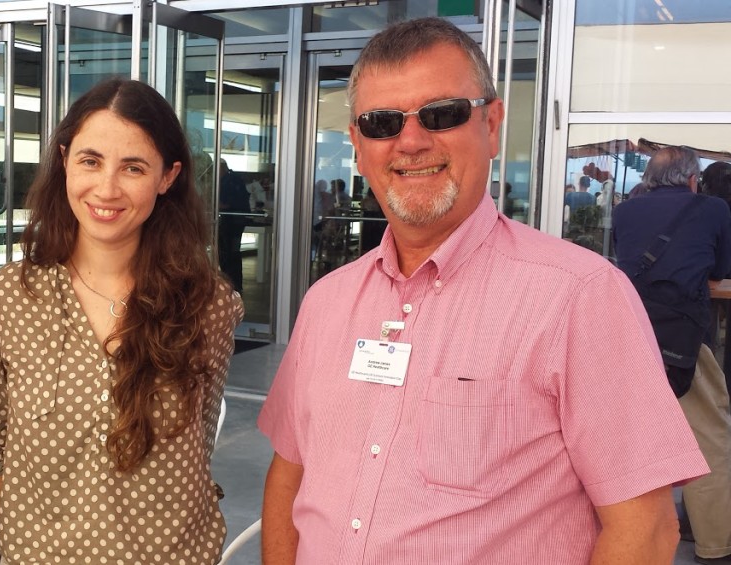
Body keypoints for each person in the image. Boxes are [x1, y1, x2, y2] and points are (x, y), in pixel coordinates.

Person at [258, 17, 707, 565]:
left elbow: (645, 529)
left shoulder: (581, 297)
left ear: (491, 126)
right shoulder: (326, 301)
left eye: (442, 113)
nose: (411, 141)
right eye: (381, 123)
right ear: (357, 144)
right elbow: (290, 475)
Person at [0, 77, 243, 564]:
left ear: (167, 177)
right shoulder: (13, 295)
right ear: (64, 161)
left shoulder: (207, 304)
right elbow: (2, 435)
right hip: (38, 554)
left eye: (133, 167)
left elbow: (198, 443)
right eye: (90, 161)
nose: (107, 188)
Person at [612, 146, 731, 565]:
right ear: (692, 178)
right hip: (685, 339)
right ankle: (715, 542)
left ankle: (632, 533)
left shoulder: (625, 211)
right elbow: (719, 271)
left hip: (628, 335)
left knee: (632, 438)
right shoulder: (713, 209)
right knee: (708, 434)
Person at [218, 159, 250, 292]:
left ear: (222, 168)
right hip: (235, 222)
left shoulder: (230, 181)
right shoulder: (233, 179)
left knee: (229, 254)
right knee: (231, 253)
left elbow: (227, 204)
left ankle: (232, 284)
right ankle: (233, 285)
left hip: (232, 223)